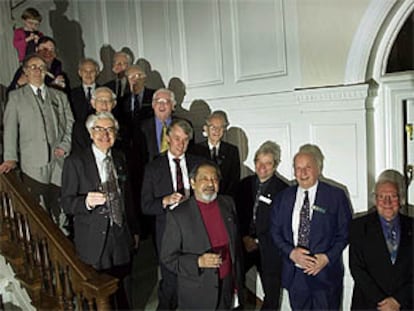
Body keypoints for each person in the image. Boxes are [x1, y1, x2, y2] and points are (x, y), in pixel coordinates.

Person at [61, 112, 139, 310]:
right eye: (99, 129)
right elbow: (67, 203)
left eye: (110, 129)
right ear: (90, 133)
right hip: (94, 239)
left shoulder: (120, 158)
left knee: (123, 291)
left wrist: (133, 230)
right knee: (97, 297)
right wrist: (86, 202)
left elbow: (128, 198)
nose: (105, 134)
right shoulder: (75, 162)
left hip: (120, 235)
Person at [270, 145, 352, 310]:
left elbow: (345, 232)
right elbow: (275, 232)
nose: (302, 173)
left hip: (325, 274)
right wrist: (291, 253)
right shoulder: (283, 198)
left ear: (318, 168)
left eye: (307, 167)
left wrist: (327, 258)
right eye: (298, 168)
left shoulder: (335, 196)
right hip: (295, 276)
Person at [0, 54, 73, 226]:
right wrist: (10, 157)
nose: (37, 70)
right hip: (33, 161)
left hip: (58, 159)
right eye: (33, 67)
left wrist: (65, 145)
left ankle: (63, 240)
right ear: (25, 70)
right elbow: (10, 129)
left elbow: (70, 123)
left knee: (60, 204)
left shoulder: (59, 96)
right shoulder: (16, 97)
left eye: (41, 67)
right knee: (38, 207)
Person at [161, 160, 243, 310]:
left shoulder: (228, 203)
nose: (210, 183)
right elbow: (168, 258)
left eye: (214, 179)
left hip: (227, 286)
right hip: (198, 293)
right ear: (193, 183)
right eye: (204, 178)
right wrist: (197, 262)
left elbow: (235, 245)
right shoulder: (178, 215)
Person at [141, 118, 200, 310]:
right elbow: (146, 206)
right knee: (170, 284)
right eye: (176, 138)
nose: (180, 144)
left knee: (193, 280)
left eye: (185, 140)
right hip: (167, 233)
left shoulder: (198, 164)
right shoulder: (153, 168)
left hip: (194, 231)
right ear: (168, 138)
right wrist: (165, 201)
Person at [349, 169, 413, 311]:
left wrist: (398, 300)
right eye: (382, 197)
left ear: (400, 198)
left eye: (393, 196)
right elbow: (357, 268)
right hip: (369, 304)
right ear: (375, 199)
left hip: (406, 304)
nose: (387, 202)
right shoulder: (358, 227)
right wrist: (382, 301)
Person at [235, 141, 288, 310]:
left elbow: (282, 225)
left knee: (271, 294)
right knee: (233, 284)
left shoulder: (284, 190)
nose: (262, 167)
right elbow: (235, 215)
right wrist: (244, 237)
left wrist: (257, 241)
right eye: (259, 161)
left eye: (268, 163)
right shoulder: (243, 185)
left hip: (269, 248)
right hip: (243, 244)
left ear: (276, 165)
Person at [191, 110, 240, 197]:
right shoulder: (195, 150)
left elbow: (234, 180)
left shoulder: (232, 151)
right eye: (213, 127)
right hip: (202, 198)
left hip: (225, 199)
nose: (217, 131)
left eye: (220, 128)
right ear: (206, 128)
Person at [71, 86, 116, 154]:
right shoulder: (80, 127)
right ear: (93, 103)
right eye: (100, 100)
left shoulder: (122, 127)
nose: (104, 104)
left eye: (108, 101)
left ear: (114, 104)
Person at [70, 58, 100, 122]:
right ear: (80, 73)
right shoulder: (71, 94)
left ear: (97, 73)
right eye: (85, 71)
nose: (88, 74)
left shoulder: (104, 92)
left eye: (92, 71)